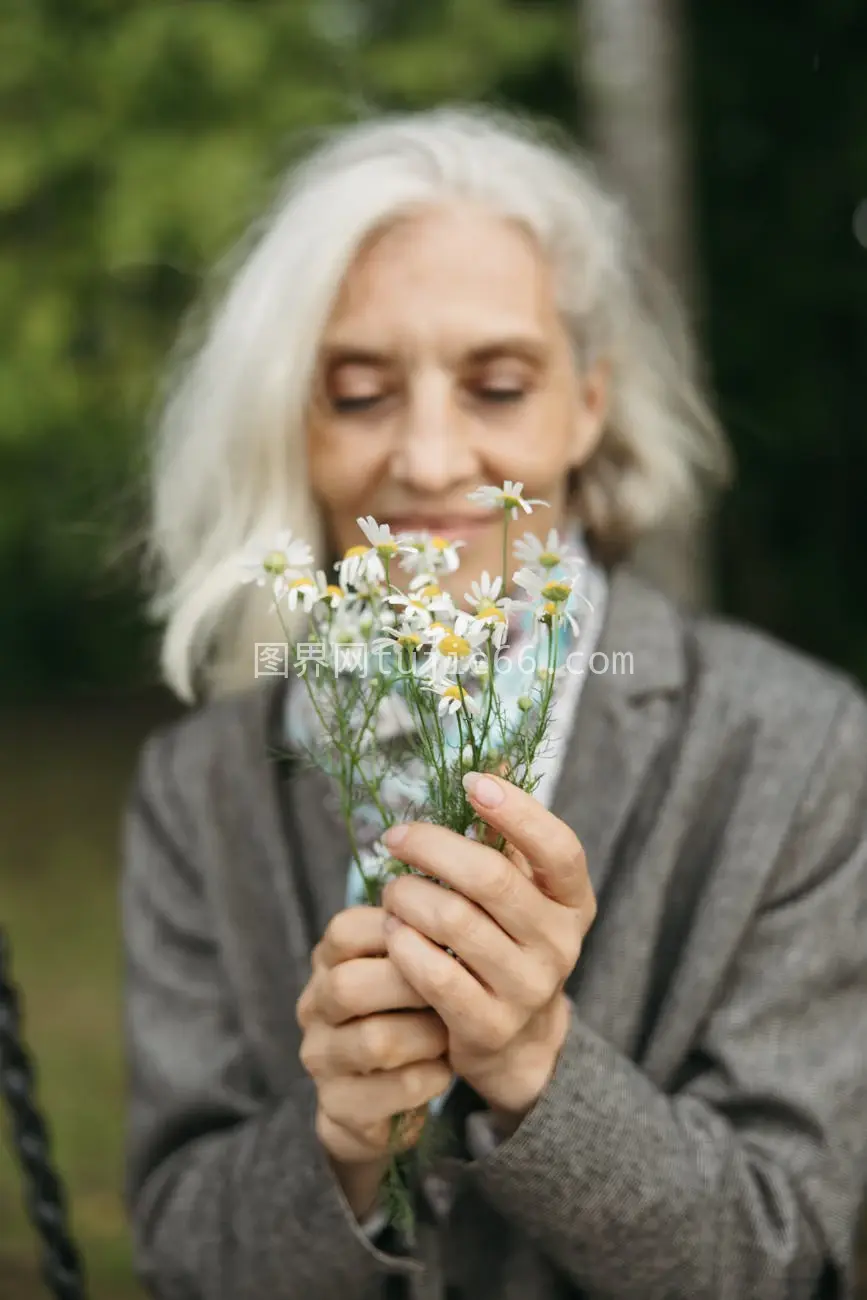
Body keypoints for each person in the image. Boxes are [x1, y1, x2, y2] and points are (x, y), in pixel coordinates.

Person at [122, 105, 867, 1300]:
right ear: (287, 426)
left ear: (588, 405)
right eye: (358, 393)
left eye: (499, 385)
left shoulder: (796, 749)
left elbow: (780, 1256)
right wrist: (341, 1145)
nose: (426, 458)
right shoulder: (201, 783)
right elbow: (182, 1250)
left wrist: (538, 1066)